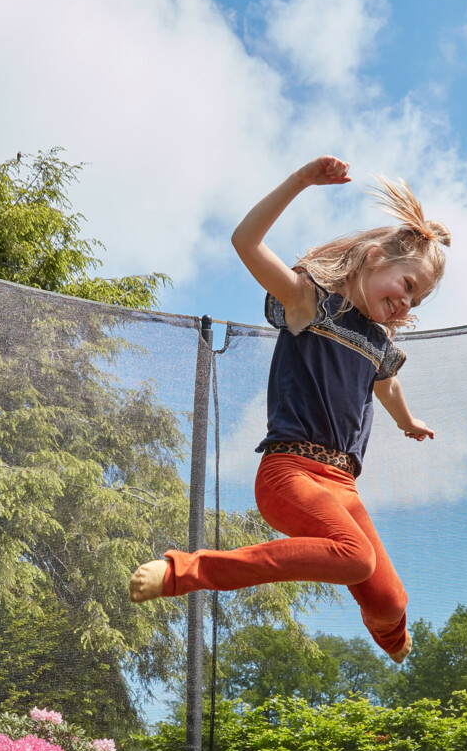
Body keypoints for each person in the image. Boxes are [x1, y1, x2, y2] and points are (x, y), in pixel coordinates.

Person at [129, 156, 449, 663]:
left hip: (343, 485)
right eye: (407, 286)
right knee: (354, 556)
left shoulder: (379, 344)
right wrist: (301, 181)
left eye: (418, 301)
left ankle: (392, 637)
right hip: (289, 473)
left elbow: (385, 386)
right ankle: (185, 571)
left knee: (389, 601)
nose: (406, 305)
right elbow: (245, 242)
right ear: (373, 258)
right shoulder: (309, 303)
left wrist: (408, 422)